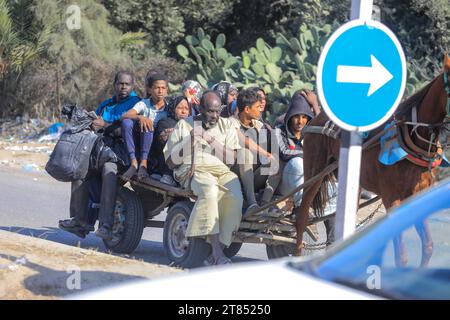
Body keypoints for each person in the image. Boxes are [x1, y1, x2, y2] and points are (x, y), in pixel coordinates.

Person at [164, 91, 243, 265]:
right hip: (195, 171)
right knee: (209, 190)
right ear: (200, 109)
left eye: (217, 111)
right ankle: (216, 253)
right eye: (210, 111)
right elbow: (171, 162)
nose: (214, 116)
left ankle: (217, 251)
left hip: (221, 172)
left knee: (235, 196)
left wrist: (208, 138)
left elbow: (231, 159)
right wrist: (190, 140)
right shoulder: (185, 125)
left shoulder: (226, 126)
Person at [60, 71, 140, 240]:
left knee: (108, 171)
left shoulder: (136, 105)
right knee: (79, 170)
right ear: (115, 85)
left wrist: (105, 125)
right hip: (101, 149)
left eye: (127, 84)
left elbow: (127, 129)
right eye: (120, 83)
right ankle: (80, 221)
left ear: (132, 86)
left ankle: (105, 225)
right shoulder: (107, 104)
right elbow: (95, 121)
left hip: (123, 154)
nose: (123, 87)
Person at [228, 87, 279, 217]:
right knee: (245, 154)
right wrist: (266, 154)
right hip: (234, 176)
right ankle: (252, 203)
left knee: (276, 163)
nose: (260, 109)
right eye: (256, 107)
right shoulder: (231, 123)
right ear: (246, 109)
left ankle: (264, 205)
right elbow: (243, 140)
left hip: (252, 175)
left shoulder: (258, 125)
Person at [120, 73, 169, 180]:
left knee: (149, 125)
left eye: (163, 88)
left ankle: (144, 164)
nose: (160, 91)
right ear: (150, 90)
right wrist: (141, 117)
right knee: (127, 122)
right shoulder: (144, 104)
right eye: (156, 88)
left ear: (166, 90)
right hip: (140, 142)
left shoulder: (169, 108)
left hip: (156, 146)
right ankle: (134, 163)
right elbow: (124, 116)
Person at [150, 95, 191, 185]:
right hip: (164, 165)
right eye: (179, 108)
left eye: (186, 109)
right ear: (172, 108)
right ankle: (167, 175)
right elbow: (165, 139)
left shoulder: (190, 124)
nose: (183, 111)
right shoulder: (166, 122)